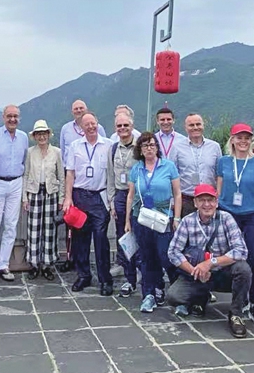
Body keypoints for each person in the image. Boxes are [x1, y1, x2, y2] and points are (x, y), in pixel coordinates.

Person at [166, 184, 253, 338]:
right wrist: (195, 271)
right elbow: (173, 252)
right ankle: (202, 296)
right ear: (195, 203)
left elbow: (241, 250)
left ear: (216, 202)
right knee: (173, 296)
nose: (207, 204)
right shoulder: (188, 221)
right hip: (198, 274)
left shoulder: (226, 219)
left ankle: (236, 314)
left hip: (223, 271)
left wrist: (210, 263)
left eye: (210, 200)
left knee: (243, 269)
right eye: (202, 200)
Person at [215, 123, 254, 327]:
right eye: (239, 137)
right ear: (232, 139)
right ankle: (237, 301)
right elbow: (218, 191)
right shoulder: (223, 162)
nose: (243, 141)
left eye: (247, 138)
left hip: (252, 215)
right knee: (228, 258)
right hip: (228, 214)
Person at [125, 132, 181, 313]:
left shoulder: (169, 166)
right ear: (139, 150)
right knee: (147, 257)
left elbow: (177, 194)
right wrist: (127, 220)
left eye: (152, 145)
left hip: (163, 217)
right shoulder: (136, 169)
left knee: (166, 255)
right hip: (141, 217)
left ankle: (180, 292)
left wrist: (177, 218)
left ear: (157, 147)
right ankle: (149, 294)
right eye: (144, 145)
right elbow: (131, 195)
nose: (149, 148)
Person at [62, 112, 115, 295]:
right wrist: (68, 198)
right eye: (87, 125)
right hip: (80, 196)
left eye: (93, 123)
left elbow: (112, 174)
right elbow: (70, 173)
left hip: (100, 198)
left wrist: (111, 199)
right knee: (80, 240)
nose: (91, 127)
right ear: (81, 128)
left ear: (97, 124)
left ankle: (105, 279)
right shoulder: (74, 146)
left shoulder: (108, 145)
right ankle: (84, 275)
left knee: (101, 240)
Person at [0, 105, 28, 284]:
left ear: (19, 118)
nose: (12, 119)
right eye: (9, 116)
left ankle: (4, 264)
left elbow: (24, 160)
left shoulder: (23, 137)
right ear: (3, 117)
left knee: (11, 226)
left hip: (16, 183)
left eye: (15, 116)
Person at [23, 120, 64, 280]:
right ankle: (33, 263)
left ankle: (47, 264)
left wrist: (62, 198)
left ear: (48, 135)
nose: (41, 137)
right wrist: (24, 197)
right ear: (34, 136)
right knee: (33, 230)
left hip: (51, 193)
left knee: (50, 230)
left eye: (44, 133)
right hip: (34, 192)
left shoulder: (57, 152)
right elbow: (25, 174)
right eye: (38, 134)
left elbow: (61, 175)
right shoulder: (30, 152)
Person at [108, 112, 139, 296]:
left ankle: (145, 273)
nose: (122, 129)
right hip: (120, 195)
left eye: (125, 125)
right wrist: (111, 201)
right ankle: (129, 278)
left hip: (138, 196)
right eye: (119, 126)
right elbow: (110, 177)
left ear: (132, 127)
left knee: (142, 236)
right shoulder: (112, 149)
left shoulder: (140, 147)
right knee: (124, 238)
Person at [173, 113, 221, 216]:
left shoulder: (215, 147)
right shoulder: (176, 148)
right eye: (191, 125)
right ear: (185, 128)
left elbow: (219, 174)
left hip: (209, 200)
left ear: (203, 125)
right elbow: (173, 176)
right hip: (187, 200)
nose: (195, 127)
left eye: (198, 124)